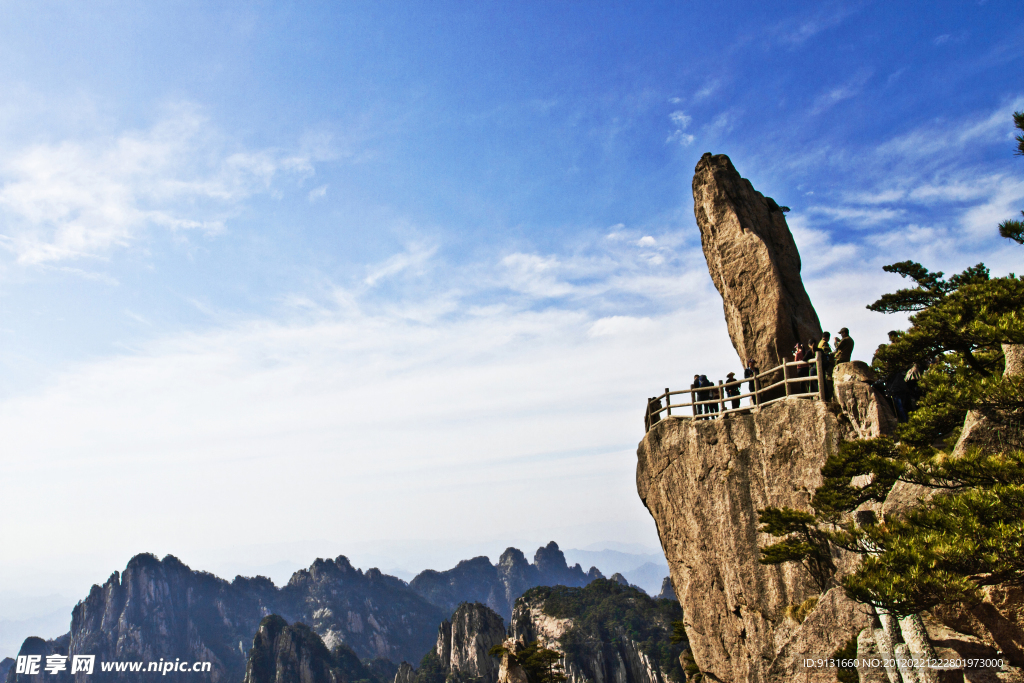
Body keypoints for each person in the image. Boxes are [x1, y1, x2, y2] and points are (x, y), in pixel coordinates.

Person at [815, 332, 834, 400]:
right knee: (828, 379)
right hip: (825, 364)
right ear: (827, 337)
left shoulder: (820, 342)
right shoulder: (824, 343)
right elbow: (827, 353)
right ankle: (828, 396)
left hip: (821, 363)